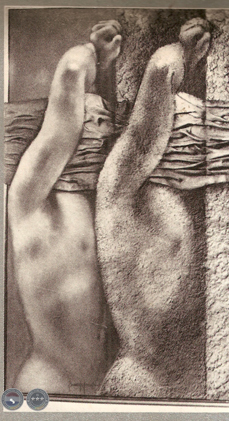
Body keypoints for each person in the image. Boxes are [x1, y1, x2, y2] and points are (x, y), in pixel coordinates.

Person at [95, 18, 211, 398]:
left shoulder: (122, 194)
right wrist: (181, 55)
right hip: (148, 378)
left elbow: (145, 135)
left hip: (179, 374)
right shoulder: (117, 193)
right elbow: (143, 136)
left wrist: (181, 57)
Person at [7, 21, 122, 394]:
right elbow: (72, 70)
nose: (101, 136)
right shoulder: (30, 198)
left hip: (100, 386)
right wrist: (96, 55)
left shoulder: (94, 204)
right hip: (50, 382)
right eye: (92, 126)